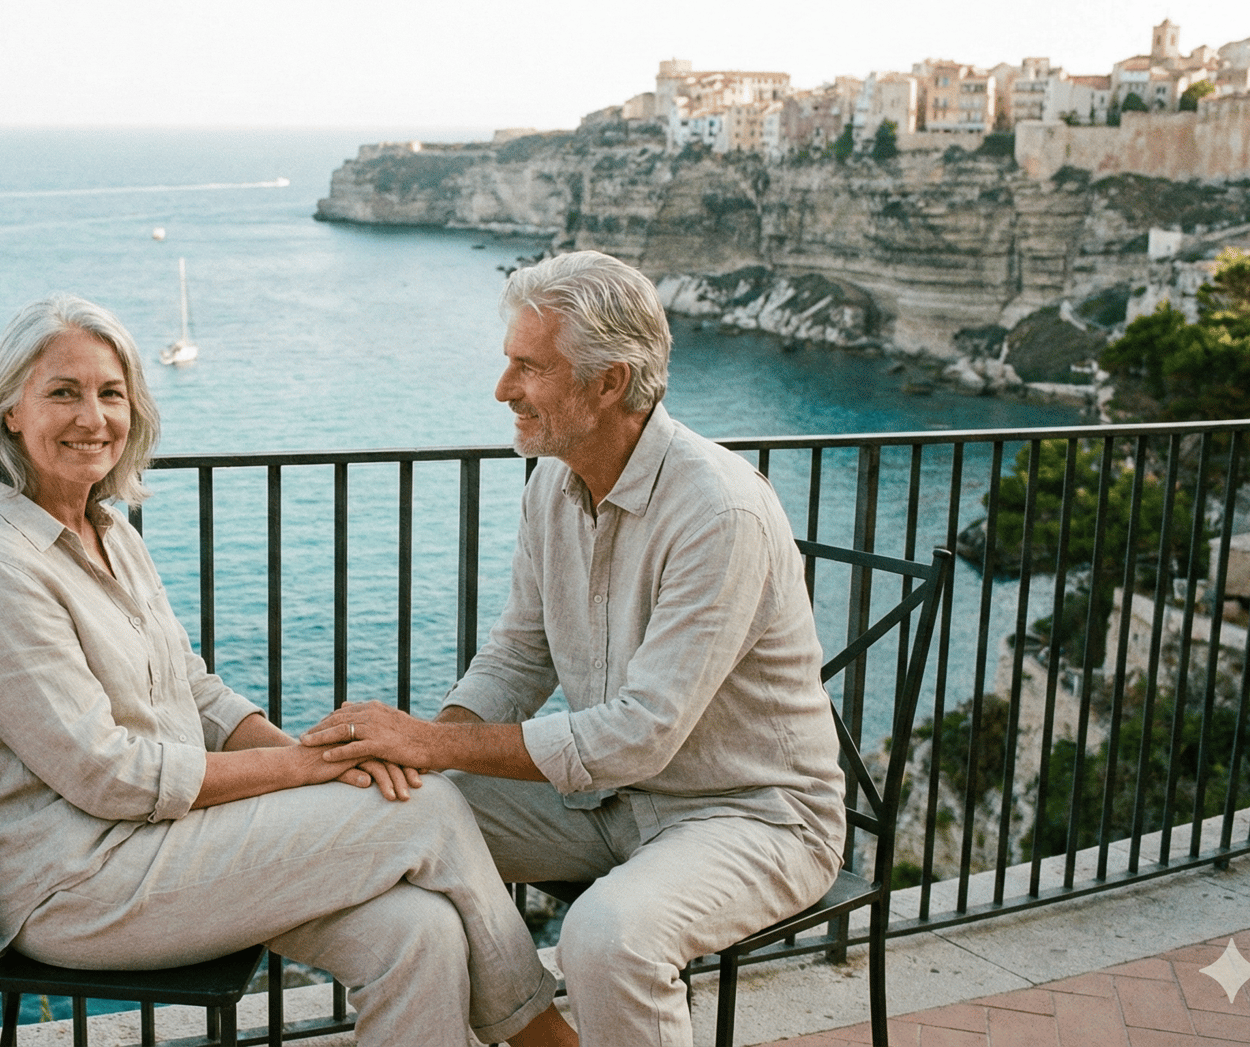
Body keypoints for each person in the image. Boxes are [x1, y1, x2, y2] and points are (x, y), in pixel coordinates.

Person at [0, 293, 577, 1047]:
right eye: (62, 393)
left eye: (111, 392)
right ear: (10, 411)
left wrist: (325, 756)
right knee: (427, 808)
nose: (93, 417)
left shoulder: (106, 529)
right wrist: (304, 768)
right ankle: (539, 1033)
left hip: (158, 844)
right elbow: (113, 775)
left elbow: (193, 690)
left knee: (418, 929)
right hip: (80, 886)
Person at [301, 251, 847, 1046]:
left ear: (608, 383)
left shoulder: (718, 512)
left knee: (606, 937)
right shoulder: (553, 485)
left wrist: (431, 738)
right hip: (612, 802)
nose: (502, 389)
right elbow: (519, 656)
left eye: (529, 366)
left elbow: (639, 733)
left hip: (751, 813)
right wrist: (424, 757)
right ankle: (533, 1028)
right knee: (389, 816)